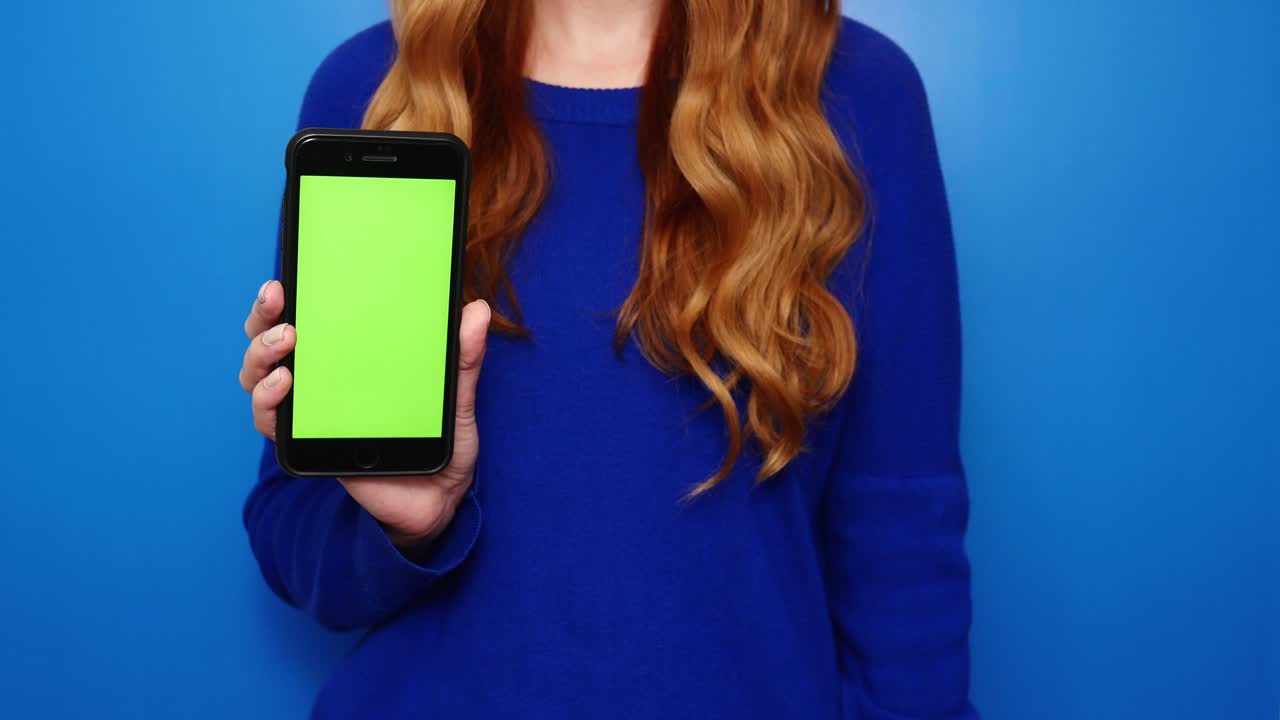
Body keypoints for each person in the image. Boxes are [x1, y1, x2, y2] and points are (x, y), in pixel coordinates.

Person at [238, 1, 976, 718]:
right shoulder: (376, 89)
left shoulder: (859, 94)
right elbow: (294, 537)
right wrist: (407, 526)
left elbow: (903, 530)